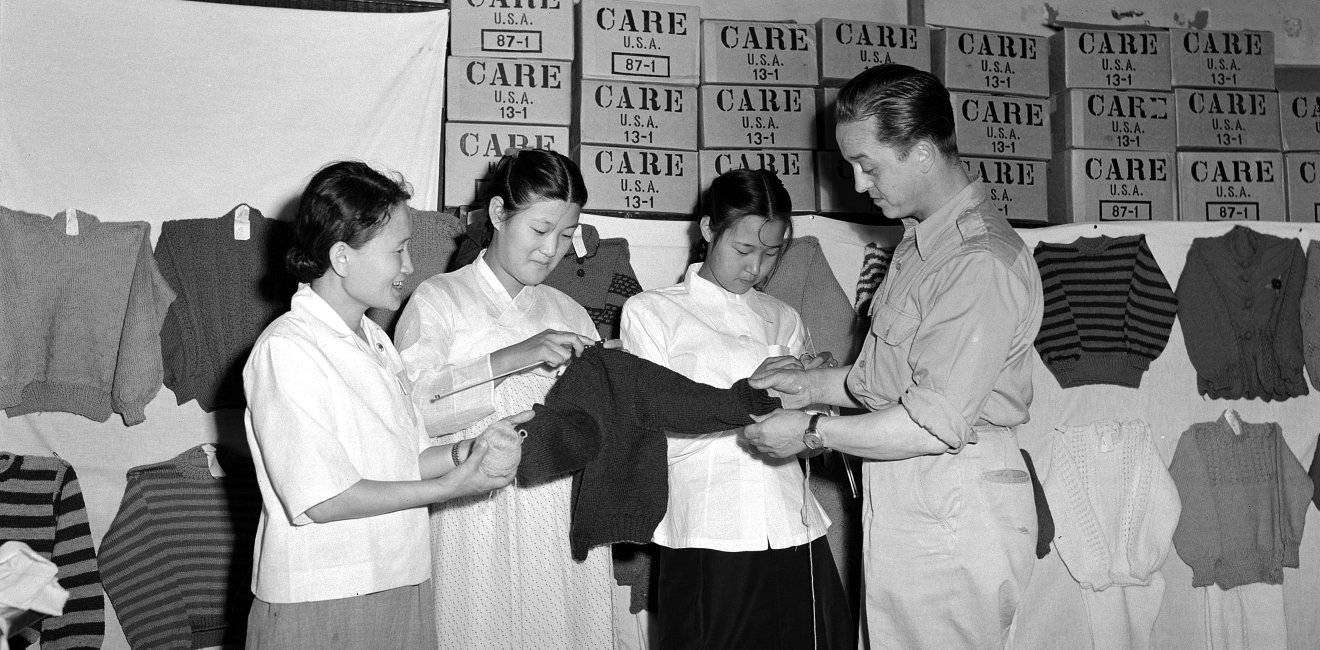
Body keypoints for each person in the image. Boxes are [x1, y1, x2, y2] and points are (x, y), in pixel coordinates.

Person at [742, 64, 1044, 649]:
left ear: (925, 154)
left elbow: (930, 422)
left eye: (868, 165)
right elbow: (887, 383)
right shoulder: (921, 243)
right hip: (918, 493)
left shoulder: (975, 261)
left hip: (954, 501)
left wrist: (809, 432)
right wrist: (813, 386)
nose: (857, 184)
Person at [242, 161, 526, 649]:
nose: (411, 265)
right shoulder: (287, 349)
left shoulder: (375, 340)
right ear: (342, 256)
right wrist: (451, 487)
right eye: (398, 249)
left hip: (401, 581)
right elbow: (326, 498)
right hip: (323, 597)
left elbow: (409, 461)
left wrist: (468, 451)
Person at [620, 168, 853, 650]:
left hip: (794, 526)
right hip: (709, 528)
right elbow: (650, 435)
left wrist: (814, 414)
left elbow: (810, 441)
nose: (756, 268)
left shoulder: (782, 317)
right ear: (708, 230)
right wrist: (750, 396)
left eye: (771, 254)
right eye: (743, 250)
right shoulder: (652, 312)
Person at [395, 149, 616, 649]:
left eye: (565, 235)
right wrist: (511, 357)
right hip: (472, 517)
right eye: (539, 230)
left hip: (559, 518)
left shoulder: (571, 313)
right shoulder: (438, 300)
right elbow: (414, 415)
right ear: (497, 213)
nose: (551, 249)